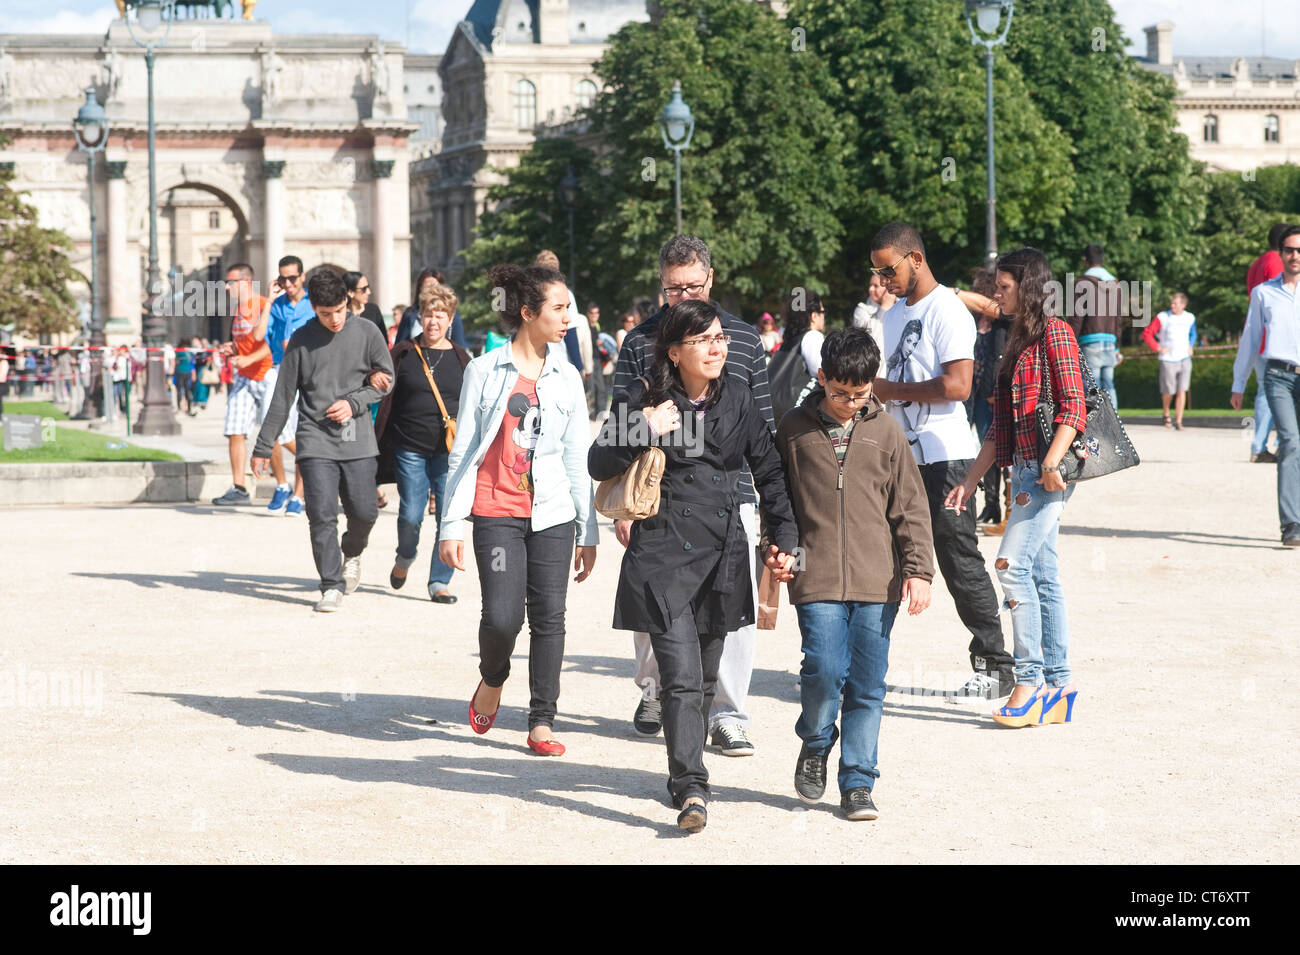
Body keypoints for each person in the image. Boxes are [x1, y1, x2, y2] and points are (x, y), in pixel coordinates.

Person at [590, 299, 798, 831]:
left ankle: (684, 768)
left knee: (704, 678)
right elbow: (598, 461)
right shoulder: (649, 398)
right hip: (663, 556)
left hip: (724, 554)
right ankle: (692, 787)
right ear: (676, 350)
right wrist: (643, 427)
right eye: (703, 340)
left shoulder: (740, 402)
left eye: (721, 339)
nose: (716, 348)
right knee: (681, 678)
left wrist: (784, 537)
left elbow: (771, 472)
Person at [611, 234, 774, 755]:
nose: (682, 296)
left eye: (693, 286)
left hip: (733, 495)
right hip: (658, 496)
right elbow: (619, 424)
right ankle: (655, 689)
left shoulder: (743, 339)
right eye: (672, 288)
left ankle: (728, 712)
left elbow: (763, 426)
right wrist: (626, 501)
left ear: (712, 280)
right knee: (655, 603)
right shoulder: (639, 342)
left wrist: (771, 519)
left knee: (732, 611)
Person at [437, 262, 598, 756]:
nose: (568, 316)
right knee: (503, 618)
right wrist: (450, 524)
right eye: (559, 307)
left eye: (568, 307)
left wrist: (587, 530)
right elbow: (463, 450)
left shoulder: (568, 377)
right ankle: (493, 677)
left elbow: (576, 455)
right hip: (496, 513)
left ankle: (542, 720)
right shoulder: (485, 372)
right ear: (528, 313)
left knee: (550, 616)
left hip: (553, 513)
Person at [776, 327, 934, 821]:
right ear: (822, 378)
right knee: (823, 668)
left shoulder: (887, 432)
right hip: (815, 574)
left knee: (867, 684)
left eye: (859, 394)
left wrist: (919, 570)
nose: (848, 402)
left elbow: (910, 506)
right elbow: (777, 501)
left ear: (873, 385)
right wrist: (776, 548)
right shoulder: (792, 428)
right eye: (838, 392)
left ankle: (858, 782)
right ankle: (817, 741)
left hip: (877, 580)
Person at [868, 221, 1013, 700]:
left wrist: (891, 392)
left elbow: (958, 386)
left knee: (957, 559)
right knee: (885, 556)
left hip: (948, 456)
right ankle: (866, 662)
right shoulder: (891, 317)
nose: (884, 280)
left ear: (916, 258)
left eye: (889, 269)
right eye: (877, 272)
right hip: (902, 455)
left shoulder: (948, 309)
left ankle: (995, 665)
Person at [946, 247, 1087, 727]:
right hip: (1024, 468)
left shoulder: (1055, 333)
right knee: (1043, 578)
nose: (995, 294)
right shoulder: (1017, 340)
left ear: (1027, 287)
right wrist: (969, 480)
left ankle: (1027, 683)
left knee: (1010, 566)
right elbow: (1000, 430)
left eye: (1003, 286)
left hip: (1045, 473)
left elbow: (1074, 406)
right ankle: (1060, 686)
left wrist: (1050, 462)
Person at [251, 268, 394, 611]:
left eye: (339, 311)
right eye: (325, 314)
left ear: (348, 300)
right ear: (313, 308)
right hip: (315, 438)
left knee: (365, 511)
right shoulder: (301, 340)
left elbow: (387, 380)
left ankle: (353, 550)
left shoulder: (368, 332)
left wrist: (355, 402)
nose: (334, 320)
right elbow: (283, 398)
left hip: (356, 436)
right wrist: (263, 446)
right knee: (321, 513)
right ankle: (331, 584)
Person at [374, 282, 471, 602]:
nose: (434, 321)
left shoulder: (461, 358)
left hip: (448, 452)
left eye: (441, 315)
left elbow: (473, 405)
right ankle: (405, 556)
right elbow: (381, 392)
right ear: (420, 317)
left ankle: (439, 582)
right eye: (428, 314)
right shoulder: (402, 353)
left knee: (448, 517)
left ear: (450, 319)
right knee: (412, 515)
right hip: (409, 448)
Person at [1231, 224, 1300, 548]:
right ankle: (1292, 524)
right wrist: (1239, 382)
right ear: (1281, 253)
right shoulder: (1264, 293)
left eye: (1299, 250)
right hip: (1278, 376)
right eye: (1290, 250)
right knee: (1289, 441)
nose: (1295, 255)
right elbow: (1250, 338)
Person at [210, 264, 272, 506]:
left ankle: (315, 476)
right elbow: (245, 342)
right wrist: (233, 348)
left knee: (281, 436)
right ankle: (239, 487)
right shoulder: (238, 311)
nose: (226, 287)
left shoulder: (262, 304)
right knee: (235, 430)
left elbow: (271, 342)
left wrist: (248, 358)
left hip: (266, 374)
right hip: (244, 376)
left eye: (230, 282)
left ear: (245, 282)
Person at [956, 268, 1010, 528]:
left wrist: (953, 292)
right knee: (972, 446)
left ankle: (994, 504)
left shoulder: (1001, 318)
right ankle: (983, 503)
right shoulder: (971, 321)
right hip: (972, 395)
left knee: (992, 450)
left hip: (990, 395)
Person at [264, 255, 315, 515]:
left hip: (305, 373)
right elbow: (256, 334)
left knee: (301, 432)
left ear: (302, 276)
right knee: (271, 427)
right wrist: (269, 301)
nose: (287, 283)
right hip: (277, 370)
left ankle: (298, 495)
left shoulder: (313, 304)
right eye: (282, 278)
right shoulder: (277, 304)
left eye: (292, 278)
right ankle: (283, 483)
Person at [1245, 223, 1288, 463]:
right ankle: (1268, 445)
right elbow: (1278, 303)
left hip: (1257, 333)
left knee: (1267, 390)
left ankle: (1260, 445)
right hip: (1271, 337)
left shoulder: (1257, 263)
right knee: (1278, 390)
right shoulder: (1275, 263)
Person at [1070, 243, 1122, 412]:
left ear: (1085, 261)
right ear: (1104, 259)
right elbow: (1118, 318)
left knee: (1092, 385)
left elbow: (1077, 317)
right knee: (1109, 384)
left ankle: (1098, 422)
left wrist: (1070, 341)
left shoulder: (1082, 282)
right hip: (1110, 340)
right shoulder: (1115, 284)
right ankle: (1114, 420)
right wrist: (1117, 346)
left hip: (1089, 340)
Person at [1143, 292, 1198, 430]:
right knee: (1169, 391)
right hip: (1168, 359)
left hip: (1184, 358)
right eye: (1172, 303)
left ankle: (1179, 420)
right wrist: (1157, 347)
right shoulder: (1163, 317)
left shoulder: (1190, 318)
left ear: (1183, 305)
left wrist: (1191, 345)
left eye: (1175, 303)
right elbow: (1147, 333)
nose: (1172, 305)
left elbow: (1193, 333)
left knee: (1182, 390)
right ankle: (1166, 412)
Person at [534, 250, 586, 374]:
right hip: (560, 364)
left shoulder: (530, 294)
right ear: (557, 269)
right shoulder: (565, 294)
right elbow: (570, 333)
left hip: (533, 363)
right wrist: (579, 366)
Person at [395, 269, 469, 349]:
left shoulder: (451, 316)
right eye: (428, 316)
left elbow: (460, 346)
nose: (433, 322)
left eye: (439, 317)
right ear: (420, 288)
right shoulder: (410, 314)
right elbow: (399, 345)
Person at [852, 272, 894, 355]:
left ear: (888, 288)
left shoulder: (901, 307)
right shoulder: (861, 310)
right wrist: (885, 308)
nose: (870, 289)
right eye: (870, 285)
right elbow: (870, 340)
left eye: (876, 286)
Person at [344, 270, 387, 340]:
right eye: (364, 289)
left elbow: (383, 340)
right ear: (350, 292)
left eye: (368, 287)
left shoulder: (373, 310)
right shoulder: (340, 314)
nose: (368, 292)